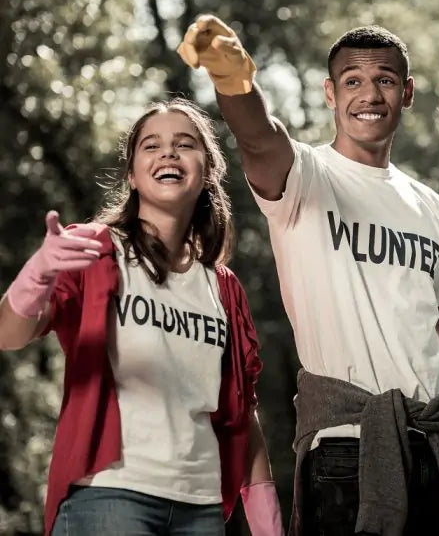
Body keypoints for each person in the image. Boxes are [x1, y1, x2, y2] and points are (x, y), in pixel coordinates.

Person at [177, 18, 439, 535]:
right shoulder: (307, 177)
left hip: (434, 451)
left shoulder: (434, 208)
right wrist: (233, 81)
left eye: (384, 79)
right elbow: (260, 140)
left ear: (407, 93)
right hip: (344, 450)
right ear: (330, 93)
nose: (369, 93)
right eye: (352, 81)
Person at [0, 99, 283, 536]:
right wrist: (37, 274)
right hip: (109, 497)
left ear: (208, 171)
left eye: (184, 144)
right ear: (132, 175)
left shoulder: (224, 287)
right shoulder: (94, 250)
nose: (168, 153)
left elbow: (242, 414)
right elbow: (8, 334)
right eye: (151, 146)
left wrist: (268, 521)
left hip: (202, 508)